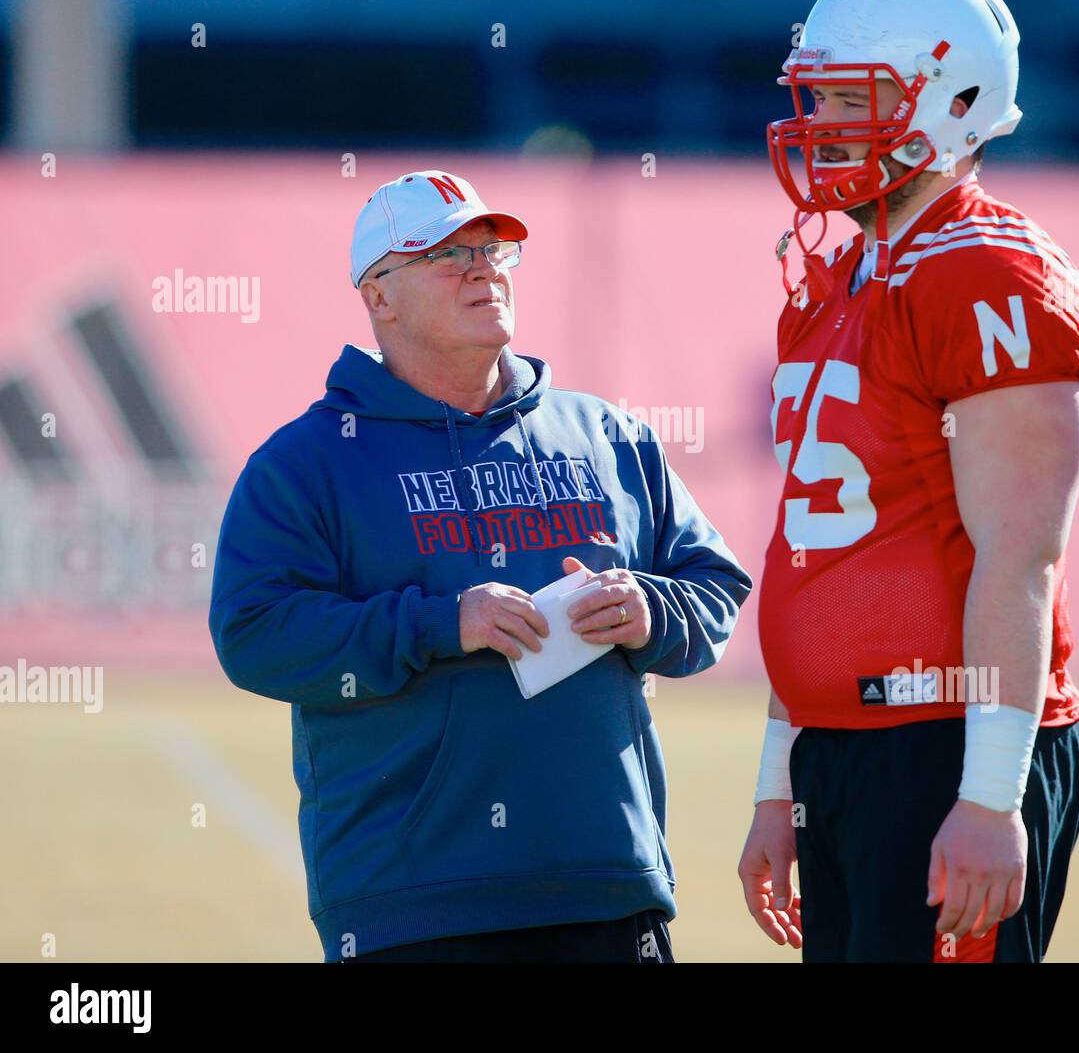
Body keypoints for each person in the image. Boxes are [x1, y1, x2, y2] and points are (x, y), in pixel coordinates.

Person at [209, 168, 751, 962]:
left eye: (493, 251)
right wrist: (439, 623)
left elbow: (716, 587)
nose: (481, 270)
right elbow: (253, 632)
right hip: (415, 905)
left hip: (606, 886)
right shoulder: (308, 461)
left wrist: (652, 611)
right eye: (445, 255)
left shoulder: (604, 434)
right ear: (379, 297)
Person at [738, 0, 1079, 963]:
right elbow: (810, 551)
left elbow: (1019, 557)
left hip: (944, 737)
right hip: (842, 746)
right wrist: (781, 777)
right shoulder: (838, 274)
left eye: (853, 99)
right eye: (817, 96)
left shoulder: (985, 270)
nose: (822, 126)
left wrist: (988, 793)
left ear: (955, 99)